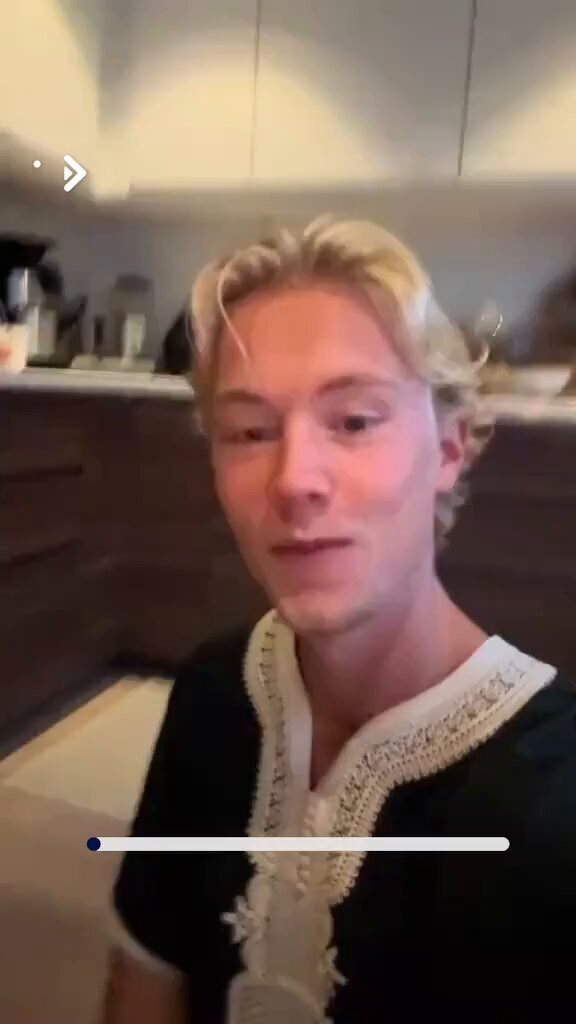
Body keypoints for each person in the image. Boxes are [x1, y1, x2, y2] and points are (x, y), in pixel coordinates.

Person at [102, 217, 576, 1024]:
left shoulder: (553, 799)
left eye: (354, 420)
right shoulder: (213, 693)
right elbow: (148, 979)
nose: (294, 480)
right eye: (250, 431)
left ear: (450, 448)